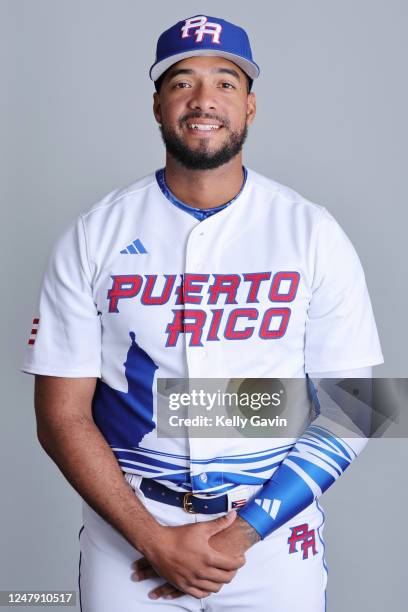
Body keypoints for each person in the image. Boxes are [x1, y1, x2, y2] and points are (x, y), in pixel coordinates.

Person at [22, 14, 383, 612]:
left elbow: (359, 404)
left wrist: (242, 535)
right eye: (182, 82)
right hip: (130, 533)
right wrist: (152, 539)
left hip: (271, 533)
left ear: (250, 106)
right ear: (158, 105)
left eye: (225, 82)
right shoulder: (93, 236)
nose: (203, 100)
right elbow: (61, 416)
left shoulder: (311, 231)